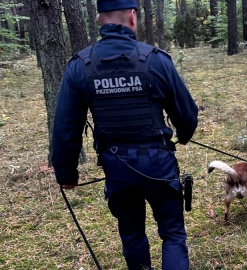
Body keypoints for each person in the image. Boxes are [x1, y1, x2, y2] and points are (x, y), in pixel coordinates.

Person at [51, 0, 198, 269]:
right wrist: (183, 135)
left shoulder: (80, 65)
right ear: (132, 16)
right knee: (173, 234)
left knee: (132, 235)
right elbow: (187, 113)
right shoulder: (156, 60)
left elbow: (65, 126)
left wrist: (66, 174)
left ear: (98, 20)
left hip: (117, 167)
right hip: (159, 164)